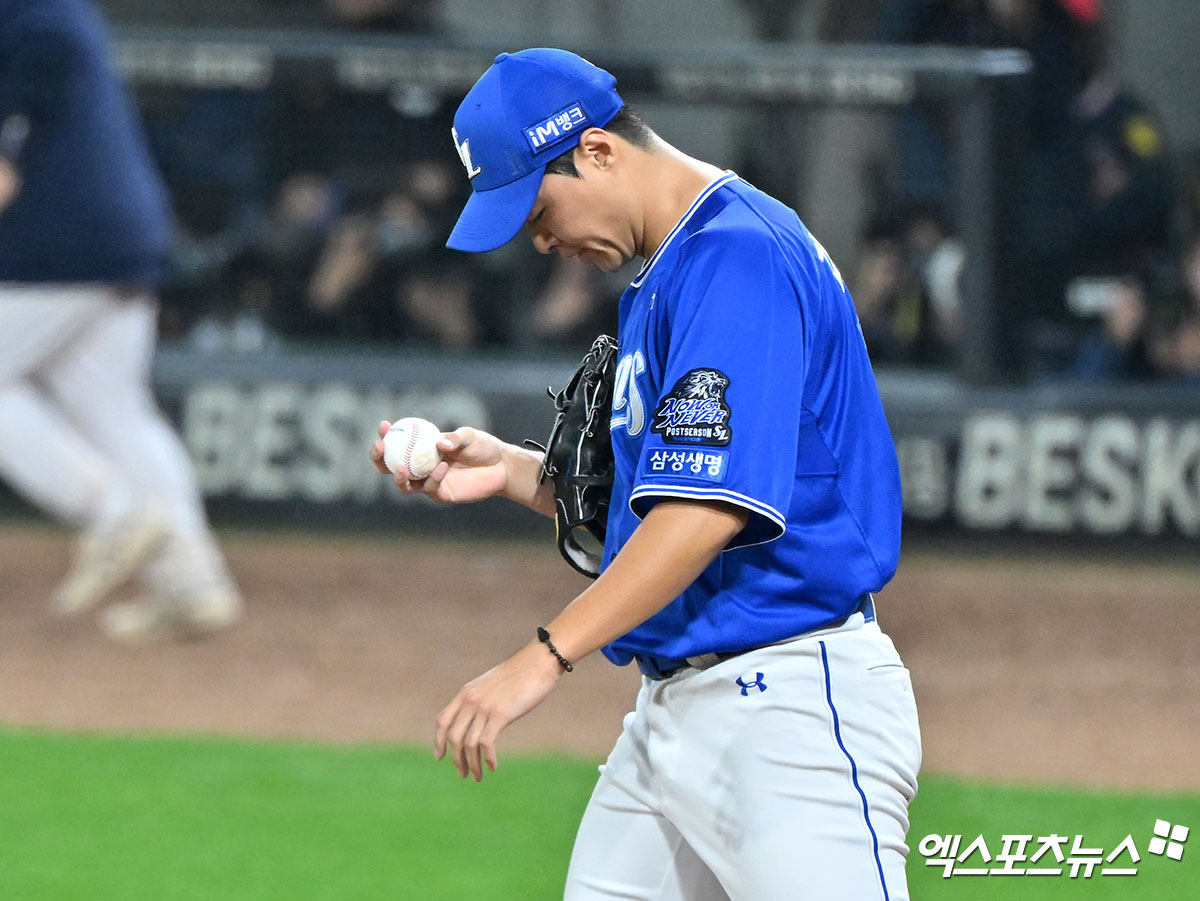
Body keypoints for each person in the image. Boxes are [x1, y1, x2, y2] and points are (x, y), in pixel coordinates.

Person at [370, 49, 921, 899]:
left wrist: (542, 657)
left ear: (596, 151)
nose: (543, 240)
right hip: (679, 713)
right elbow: (655, 502)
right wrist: (516, 472)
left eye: (539, 210)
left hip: (791, 713)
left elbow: (702, 519)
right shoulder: (675, 272)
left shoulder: (738, 258)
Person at [0, 0, 242, 640]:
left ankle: (112, 511)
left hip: (65, 246)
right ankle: (193, 583)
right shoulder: (51, 14)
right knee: (115, 410)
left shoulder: (33, 26)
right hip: (117, 236)